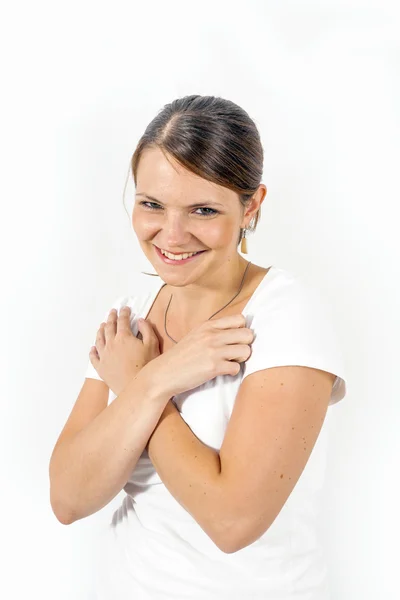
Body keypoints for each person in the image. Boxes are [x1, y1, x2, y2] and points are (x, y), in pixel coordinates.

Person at [50, 95, 347, 599]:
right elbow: (69, 498)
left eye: (203, 209)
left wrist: (142, 386)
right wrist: (156, 379)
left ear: (251, 205)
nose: (172, 233)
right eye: (152, 204)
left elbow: (232, 522)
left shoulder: (284, 316)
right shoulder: (133, 313)